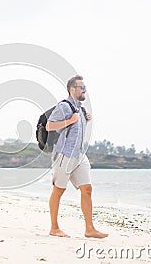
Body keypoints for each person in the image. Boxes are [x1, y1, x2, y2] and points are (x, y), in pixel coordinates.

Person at [46, 75, 108, 239]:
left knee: (87, 189)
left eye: (84, 87)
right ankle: (54, 227)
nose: (84, 90)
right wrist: (71, 120)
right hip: (64, 156)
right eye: (81, 87)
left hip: (79, 155)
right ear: (72, 89)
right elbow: (49, 126)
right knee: (58, 191)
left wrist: (83, 120)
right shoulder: (63, 107)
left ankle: (89, 229)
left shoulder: (80, 109)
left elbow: (75, 132)